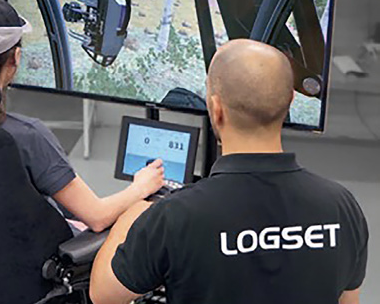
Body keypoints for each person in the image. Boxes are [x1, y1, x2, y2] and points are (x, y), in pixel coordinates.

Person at [90, 39, 369, 304]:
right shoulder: (342, 206)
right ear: (288, 105)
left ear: (216, 108)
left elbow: (103, 295)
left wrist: (131, 216)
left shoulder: (173, 217)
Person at [0, 0, 165, 233]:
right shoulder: (27, 138)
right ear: (16, 59)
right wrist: (141, 187)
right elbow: (98, 217)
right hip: (36, 264)